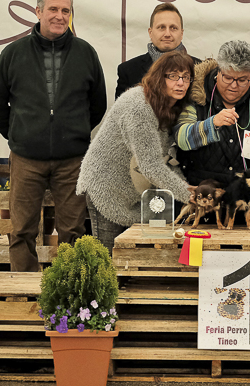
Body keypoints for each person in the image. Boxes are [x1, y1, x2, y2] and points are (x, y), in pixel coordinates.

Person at [0, 0, 107, 271]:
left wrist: (73, 134)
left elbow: (97, 105)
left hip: (72, 161)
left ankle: (67, 287)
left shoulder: (86, 53)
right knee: (21, 230)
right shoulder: (14, 53)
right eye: (53, 9)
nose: (59, 16)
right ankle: (24, 288)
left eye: (66, 10)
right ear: (38, 11)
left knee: (73, 231)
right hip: (26, 159)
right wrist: (21, 135)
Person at [77, 51, 194, 250]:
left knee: (134, 255)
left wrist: (188, 188)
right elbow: (150, 166)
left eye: (186, 77)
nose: (180, 83)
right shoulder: (139, 106)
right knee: (110, 255)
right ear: (159, 77)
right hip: (105, 186)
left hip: (132, 190)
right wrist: (189, 195)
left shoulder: (168, 106)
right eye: (173, 76)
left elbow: (165, 158)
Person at [175, 40, 250, 227]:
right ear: (218, 72)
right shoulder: (197, 95)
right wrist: (211, 124)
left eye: (242, 80)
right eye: (228, 78)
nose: (234, 85)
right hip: (204, 209)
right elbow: (181, 138)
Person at [116, 2, 199, 99]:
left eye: (173, 28)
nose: (167, 34)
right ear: (150, 33)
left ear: (181, 34)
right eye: (161, 27)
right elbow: (121, 108)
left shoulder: (200, 69)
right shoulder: (128, 71)